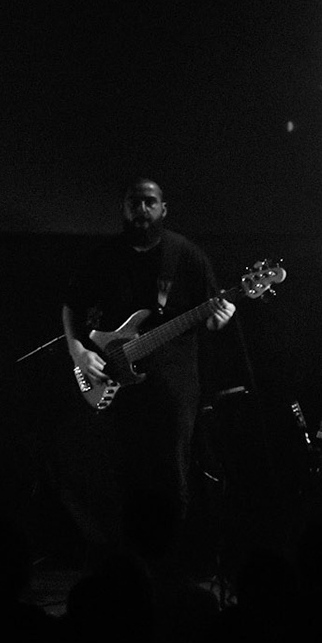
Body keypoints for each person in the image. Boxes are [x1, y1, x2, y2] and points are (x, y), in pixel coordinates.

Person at [61, 179, 234, 543]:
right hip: (114, 382)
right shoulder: (105, 257)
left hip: (174, 385)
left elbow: (212, 313)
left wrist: (220, 318)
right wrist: (78, 351)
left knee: (172, 468)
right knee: (118, 468)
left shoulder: (186, 255)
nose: (142, 210)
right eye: (134, 203)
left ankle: (171, 548)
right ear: (124, 209)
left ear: (163, 208)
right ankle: (121, 550)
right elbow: (71, 307)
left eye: (149, 202)